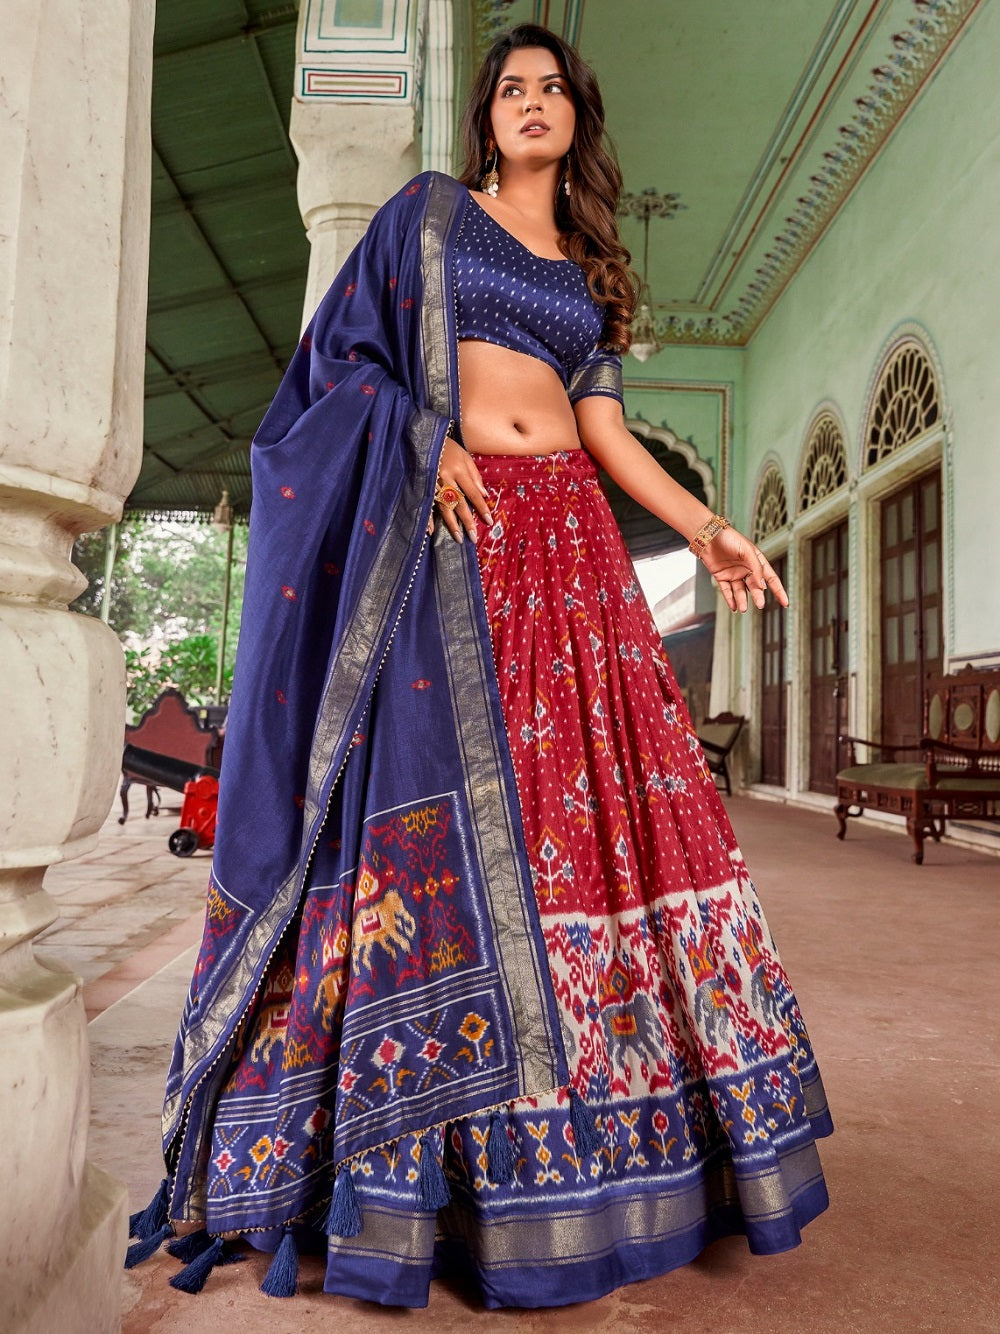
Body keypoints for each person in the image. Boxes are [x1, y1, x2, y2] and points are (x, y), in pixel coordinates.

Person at [127, 22, 832, 1310]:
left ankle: (602, 1142)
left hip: (572, 547)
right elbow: (336, 364)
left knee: (595, 828)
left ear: (579, 119)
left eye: (551, 88)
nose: (529, 103)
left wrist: (710, 527)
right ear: (486, 121)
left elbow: (608, 432)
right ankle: (423, 1170)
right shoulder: (427, 219)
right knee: (467, 823)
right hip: (458, 537)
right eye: (509, 88)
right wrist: (417, 431)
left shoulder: (593, 271)